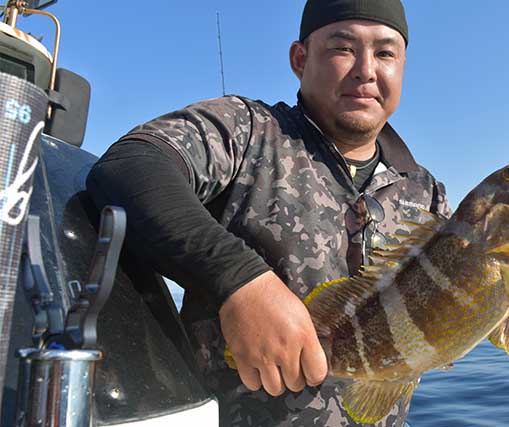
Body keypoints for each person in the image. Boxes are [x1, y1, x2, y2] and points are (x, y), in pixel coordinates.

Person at [86, 0, 451, 425]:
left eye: (386, 53)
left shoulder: (425, 192)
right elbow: (129, 166)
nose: (366, 70)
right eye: (343, 48)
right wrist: (238, 280)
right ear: (300, 59)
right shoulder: (249, 131)